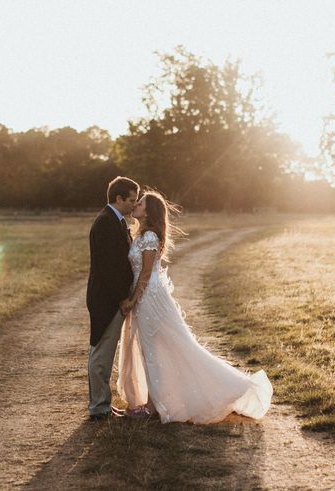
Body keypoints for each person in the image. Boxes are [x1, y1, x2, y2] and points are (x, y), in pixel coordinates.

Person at [117, 190, 272, 423]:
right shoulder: (138, 235)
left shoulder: (149, 237)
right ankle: (155, 402)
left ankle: (154, 405)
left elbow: (147, 273)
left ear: (149, 211)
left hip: (151, 296)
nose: (135, 205)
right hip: (145, 296)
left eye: (140, 203)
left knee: (159, 348)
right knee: (156, 348)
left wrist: (132, 300)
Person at [86, 176, 140, 420]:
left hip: (112, 298)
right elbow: (109, 268)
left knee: (105, 353)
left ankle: (103, 403)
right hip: (107, 300)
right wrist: (122, 298)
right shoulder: (106, 223)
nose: (134, 204)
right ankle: (99, 407)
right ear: (118, 199)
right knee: (101, 353)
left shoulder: (116, 221)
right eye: (131, 200)